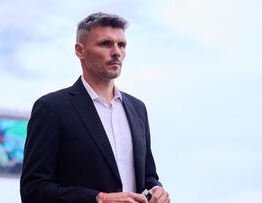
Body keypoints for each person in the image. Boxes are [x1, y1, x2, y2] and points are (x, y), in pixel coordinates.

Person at [20, 12, 170, 203]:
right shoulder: (51, 108)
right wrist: (99, 199)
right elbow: (33, 190)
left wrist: (157, 189)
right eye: (105, 44)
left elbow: (148, 175)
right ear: (80, 50)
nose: (116, 52)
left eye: (121, 45)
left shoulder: (137, 109)